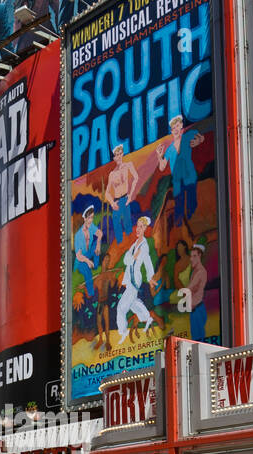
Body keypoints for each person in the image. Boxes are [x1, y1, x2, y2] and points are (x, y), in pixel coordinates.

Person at [155, 115, 204, 244]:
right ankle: (180, 237)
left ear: (181, 126)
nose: (176, 129)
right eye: (173, 128)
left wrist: (198, 141)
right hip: (177, 181)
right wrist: (159, 156)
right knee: (179, 207)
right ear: (171, 131)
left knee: (192, 203)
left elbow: (200, 136)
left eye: (177, 126)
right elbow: (162, 167)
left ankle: (195, 231)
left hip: (189, 177)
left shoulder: (188, 136)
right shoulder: (170, 148)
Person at [116, 216, 158, 344]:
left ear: (145, 228)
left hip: (135, 279)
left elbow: (147, 262)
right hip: (130, 279)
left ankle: (122, 331)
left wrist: (150, 277)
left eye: (141, 226)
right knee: (133, 303)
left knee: (121, 308)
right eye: (137, 226)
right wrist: (133, 257)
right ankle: (147, 317)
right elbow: (126, 260)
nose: (138, 229)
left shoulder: (144, 245)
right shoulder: (134, 245)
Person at [104, 144, 139, 246]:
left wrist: (131, 195)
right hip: (117, 201)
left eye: (120, 154)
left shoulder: (128, 165)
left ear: (122, 154)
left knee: (128, 222)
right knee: (116, 224)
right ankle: (120, 246)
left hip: (125, 198)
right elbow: (107, 192)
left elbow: (136, 178)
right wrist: (112, 203)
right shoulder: (112, 174)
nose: (118, 157)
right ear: (114, 158)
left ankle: (130, 245)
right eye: (116, 155)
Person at [184, 243, 209, 341]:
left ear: (199, 256)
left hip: (198, 309)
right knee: (196, 341)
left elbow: (189, 288)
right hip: (195, 310)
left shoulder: (200, 272)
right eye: (191, 256)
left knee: (198, 343)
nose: (191, 259)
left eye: (194, 256)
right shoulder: (195, 271)